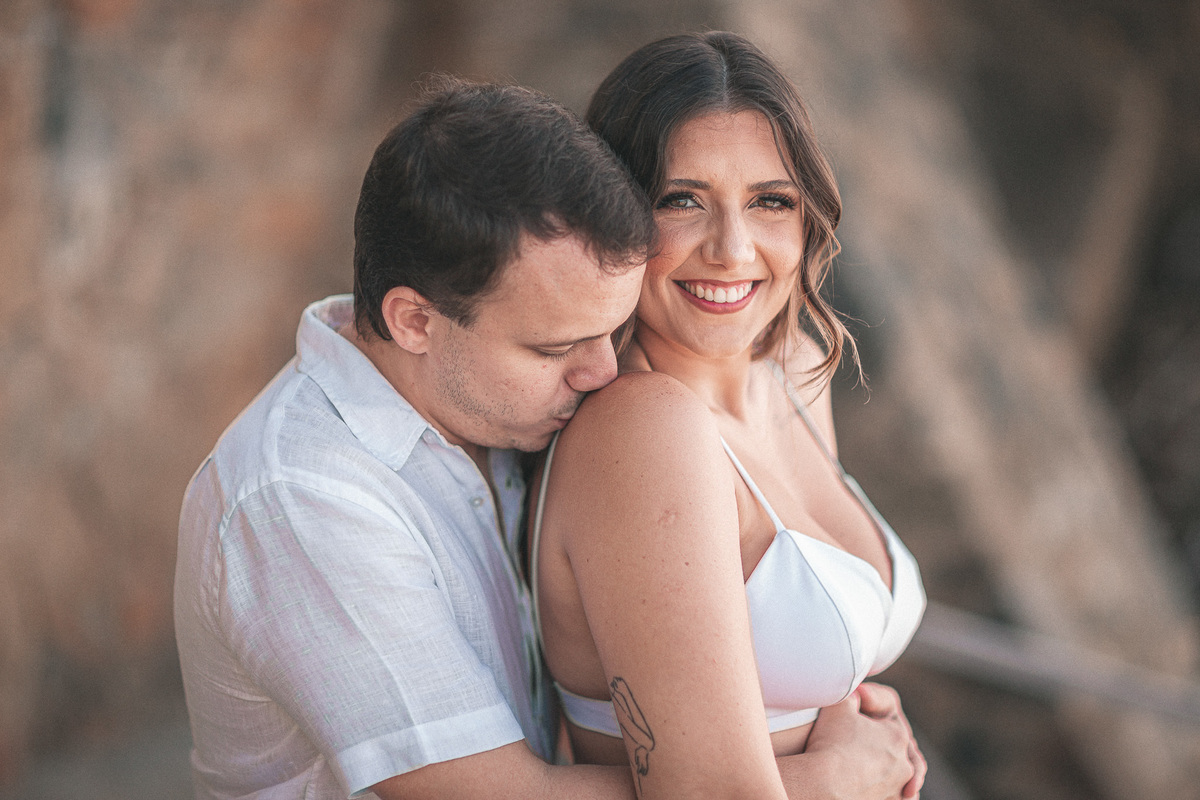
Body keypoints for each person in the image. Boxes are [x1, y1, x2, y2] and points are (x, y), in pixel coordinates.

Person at [175, 75, 919, 800]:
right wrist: (834, 778)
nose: (602, 373)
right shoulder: (305, 500)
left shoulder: (485, 409)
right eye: (555, 347)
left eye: (611, 333)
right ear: (414, 322)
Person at [530, 32, 928, 800]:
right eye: (682, 200)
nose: (732, 247)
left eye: (770, 201)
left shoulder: (794, 368)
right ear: (613, 220)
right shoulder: (639, 430)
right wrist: (844, 774)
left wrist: (870, 723)